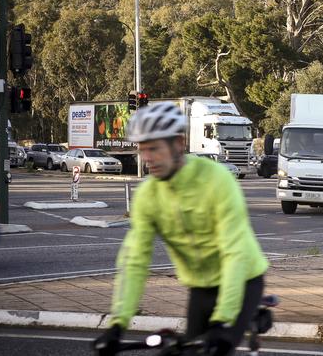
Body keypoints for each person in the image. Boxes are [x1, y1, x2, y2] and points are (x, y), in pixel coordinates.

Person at [93, 102, 269, 356]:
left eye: (154, 148)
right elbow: (134, 261)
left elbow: (235, 253)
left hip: (243, 280)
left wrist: (223, 321)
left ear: (178, 143)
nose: (147, 158)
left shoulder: (217, 180)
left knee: (216, 347)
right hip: (201, 286)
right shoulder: (148, 195)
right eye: (142, 149)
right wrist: (117, 325)